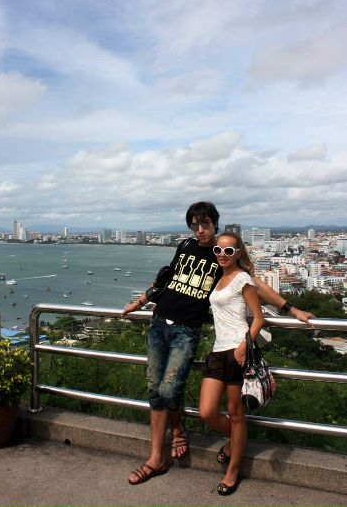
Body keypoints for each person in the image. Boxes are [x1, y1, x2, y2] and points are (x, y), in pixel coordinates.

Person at [121, 201, 314, 486]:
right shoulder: (185, 246)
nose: (200, 230)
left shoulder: (223, 257)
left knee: (170, 389)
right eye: (195, 225)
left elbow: (256, 285)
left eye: (205, 224)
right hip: (159, 322)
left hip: (188, 330)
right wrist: (139, 302)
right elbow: (165, 279)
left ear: (214, 224)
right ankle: (156, 457)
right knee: (155, 391)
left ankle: (182, 430)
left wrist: (291, 309)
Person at [199, 231, 263, 496]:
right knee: (207, 411)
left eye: (228, 251)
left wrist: (243, 347)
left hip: (238, 350)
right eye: (218, 250)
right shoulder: (218, 277)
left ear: (237, 253)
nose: (222, 255)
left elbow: (258, 318)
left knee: (236, 413)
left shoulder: (242, 278)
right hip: (217, 351)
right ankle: (237, 441)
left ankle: (233, 469)